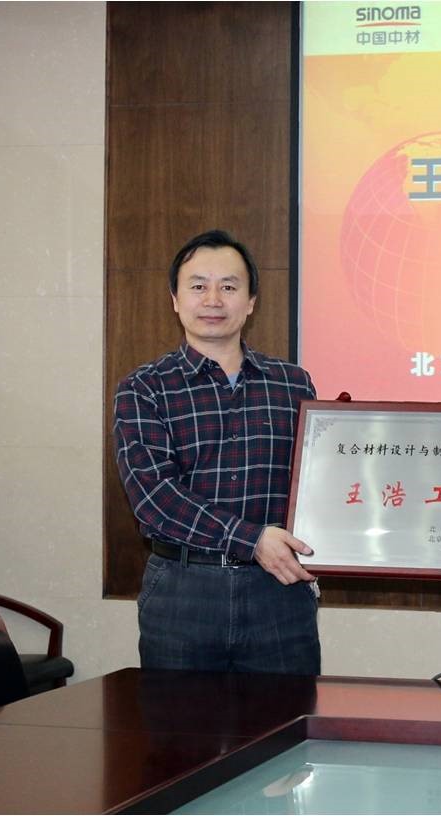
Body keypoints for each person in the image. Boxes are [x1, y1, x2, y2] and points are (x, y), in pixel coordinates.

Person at [113, 229, 320, 673]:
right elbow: (154, 499)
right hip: (183, 590)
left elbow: (317, 485)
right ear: (175, 299)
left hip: (277, 592)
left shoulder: (293, 384)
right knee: (178, 719)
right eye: (198, 286)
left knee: (288, 716)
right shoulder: (144, 388)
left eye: (228, 286)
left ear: (251, 301)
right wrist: (252, 539)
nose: (213, 300)